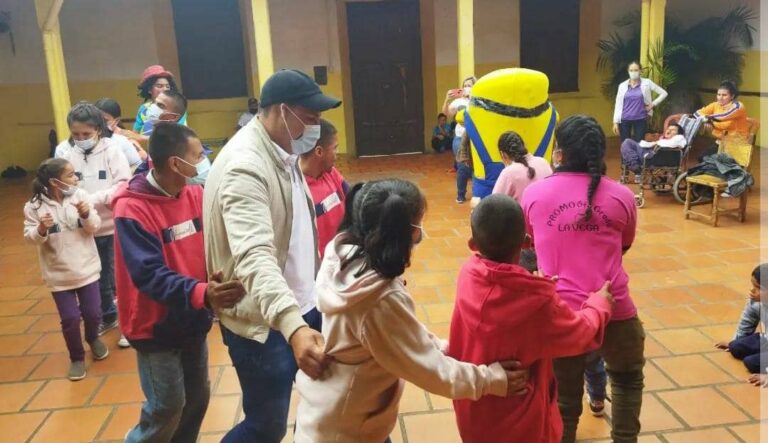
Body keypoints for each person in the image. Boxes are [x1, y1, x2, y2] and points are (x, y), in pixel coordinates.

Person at [295, 180, 530, 443]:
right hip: (347, 429)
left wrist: (444, 347)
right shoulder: (380, 299)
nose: (420, 235)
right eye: (418, 228)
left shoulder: (345, 254)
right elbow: (431, 372)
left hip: (337, 412)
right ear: (403, 234)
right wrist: (492, 380)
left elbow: (400, 333)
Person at [203, 69, 341, 442]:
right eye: (310, 118)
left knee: (333, 400)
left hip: (301, 303)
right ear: (283, 111)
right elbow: (254, 256)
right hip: (267, 323)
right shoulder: (246, 165)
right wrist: (293, 327)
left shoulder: (282, 148)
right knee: (265, 426)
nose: (316, 127)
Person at [114, 123, 245, 442]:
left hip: (192, 316)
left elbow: (212, 242)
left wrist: (213, 276)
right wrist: (202, 292)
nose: (203, 162)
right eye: (198, 156)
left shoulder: (196, 195)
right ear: (175, 163)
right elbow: (148, 274)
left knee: (197, 400)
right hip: (155, 325)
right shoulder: (132, 209)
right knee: (167, 406)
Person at [447, 194, 613, 443]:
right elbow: (581, 333)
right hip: (523, 424)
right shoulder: (537, 305)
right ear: (526, 243)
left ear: (473, 244)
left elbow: (502, 293)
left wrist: (536, 287)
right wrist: (599, 304)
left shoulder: (468, 275)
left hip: (474, 412)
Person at [522, 115, 643, 443]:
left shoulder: (534, 195)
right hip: (616, 308)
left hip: (561, 314)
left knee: (563, 397)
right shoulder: (622, 196)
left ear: (559, 153)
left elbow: (531, 244)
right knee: (627, 380)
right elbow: (625, 245)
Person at [23, 158, 109, 380]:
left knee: (93, 313)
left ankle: (93, 338)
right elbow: (30, 238)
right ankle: (77, 357)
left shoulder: (81, 196)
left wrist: (86, 215)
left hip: (86, 268)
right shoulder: (34, 206)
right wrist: (41, 229)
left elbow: (94, 227)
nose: (76, 178)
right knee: (70, 319)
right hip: (58, 274)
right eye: (70, 175)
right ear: (54, 182)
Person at [54, 102, 131, 339]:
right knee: (95, 276)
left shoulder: (112, 149)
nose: (81, 139)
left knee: (117, 276)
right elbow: (60, 186)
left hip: (112, 225)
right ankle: (108, 316)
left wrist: (92, 199)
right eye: (75, 134)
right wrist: (78, 205)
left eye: (86, 134)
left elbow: (123, 184)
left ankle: (127, 322)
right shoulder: (65, 152)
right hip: (83, 227)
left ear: (98, 129)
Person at [298, 119, 349, 259]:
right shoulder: (297, 190)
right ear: (319, 151)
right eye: (335, 148)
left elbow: (352, 197)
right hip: (320, 267)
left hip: (342, 258)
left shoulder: (331, 173)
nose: (337, 153)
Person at [715, 264, 768, 378]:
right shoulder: (756, 301)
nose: (752, 290)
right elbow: (747, 321)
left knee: (751, 362)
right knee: (735, 346)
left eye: (759, 288)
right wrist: (737, 340)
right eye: (753, 285)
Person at [133, 90, 190, 175]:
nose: (153, 107)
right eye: (154, 103)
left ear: (173, 117)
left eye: (160, 106)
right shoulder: (155, 135)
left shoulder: (180, 144)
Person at [612, 61, 668, 142]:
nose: (633, 72)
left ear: (640, 71)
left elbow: (664, 93)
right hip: (624, 119)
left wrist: (652, 104)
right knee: (625, 144)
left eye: (636, 70)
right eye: (631, 70)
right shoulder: (622, 86)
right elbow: (618, 104)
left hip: (640, 119)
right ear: (628, 71)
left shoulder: (647, 83)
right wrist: (615, 122)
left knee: (639, 144)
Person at [694, 80, 750, 159]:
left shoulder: (738, 106)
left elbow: (722, 117)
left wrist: (708, 119)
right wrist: (706, 121)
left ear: (732, 96)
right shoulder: (715, 105)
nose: (720, 98)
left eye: (724, 95)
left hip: (736, 144)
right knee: (702, 158)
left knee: (715, 162)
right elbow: (697, 113)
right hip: (721, 142)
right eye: (718, 94)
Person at [492, 131, 553, 201]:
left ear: (503, 154)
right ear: (523, 147)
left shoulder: (508, 173)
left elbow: (493, 203)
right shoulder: (544, 162)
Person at [94, 98, 146, 170]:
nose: (100, 123)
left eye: (105, 120)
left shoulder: (126, 137)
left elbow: (142, 159)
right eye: (96, 119)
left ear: (116, 121)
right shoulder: (88, 136)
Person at [133, 65, 187, 134]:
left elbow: (177, 135)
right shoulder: (143, 109)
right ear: (149, 89)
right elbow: (135, 133)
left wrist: (140, 138)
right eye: (159, 86)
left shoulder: (176, 107)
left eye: (167, 86)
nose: (165, 89)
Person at [620, 122, 686, 179]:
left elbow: (670, 144)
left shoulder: (679, 137)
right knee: (628, 143)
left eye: (673, 130)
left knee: (627, 143)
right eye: (668, 129)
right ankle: (635, 166)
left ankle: (636, 168)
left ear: (678, 133)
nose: (669, 131)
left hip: (654, 157)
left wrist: (656, 142)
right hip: (652, 153)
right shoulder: (667, 139)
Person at [442, 76, 477, 171]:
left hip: (474, 136)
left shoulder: (478, 100)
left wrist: (471, 97)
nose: (466, 88)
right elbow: (447, 113)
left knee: (474, 165)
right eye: (464, 86)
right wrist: (446, 100)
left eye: (469, 86)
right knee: (462, 166)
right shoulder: (458, 101)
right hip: (460, 136)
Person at [456, 133, 472, 203]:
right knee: (462, 174)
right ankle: (460, 195)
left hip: (476, 159)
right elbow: (463, 144)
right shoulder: (468, 130)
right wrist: (464, 158)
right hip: (465, 157)